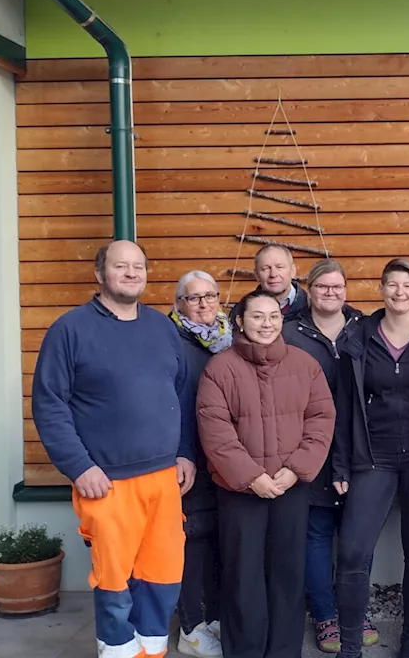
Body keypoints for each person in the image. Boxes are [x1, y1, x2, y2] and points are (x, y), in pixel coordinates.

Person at [31, 240, 196, 658]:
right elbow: (49, 405)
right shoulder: (69, 330)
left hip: (163, 478)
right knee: (114, 580)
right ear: (100, 273)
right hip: (105, 481)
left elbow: (183, 396)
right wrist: (78, 466)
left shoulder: (162, 327)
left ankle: (151, 650)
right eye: (121, 266)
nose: (131, 273)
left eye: (138, 266)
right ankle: (118, 651)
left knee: (162, 573)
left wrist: (186, 452)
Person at [331, 259, 409, 658]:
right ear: (381, 289)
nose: (400, 292)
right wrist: (339, 463)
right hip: (373, 457)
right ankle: (350, 645)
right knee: (353, 551)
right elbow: (343, 404)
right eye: (392, 285)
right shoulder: (359, 336)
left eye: (407, 285)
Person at [197, 288, 336, 658]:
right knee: (243, 577)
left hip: (291, 488)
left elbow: (321, 421)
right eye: (257, 316)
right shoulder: (220, 369)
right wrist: (250, 477)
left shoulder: (305, 365)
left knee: (288, 574)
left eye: (273, 316)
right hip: (239, 492)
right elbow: (216, 432)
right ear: (240, 321)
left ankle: (283, 651)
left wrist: (295, 470)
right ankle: (245, 650)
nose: (266, 323)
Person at [281, 260, 379, 654]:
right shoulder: (290, 333)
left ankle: (355, 611)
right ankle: (325, 615)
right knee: (317, 534)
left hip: (361, 448)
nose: (331, 293)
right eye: (323, 287)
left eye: (338, 287)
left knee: (358, 538)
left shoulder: (366, 327)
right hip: (309, 448)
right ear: (309, 289)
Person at [169, 270, 233, 658]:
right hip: (188, 457)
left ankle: (213, 617)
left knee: (219, 538)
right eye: (194, 298)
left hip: (224, 458)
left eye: (210, 296)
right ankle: (191, 627)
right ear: (179, 304)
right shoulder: (170, 340)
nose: (204, 304)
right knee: (191, 540)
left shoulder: (229, 338)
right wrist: (182, 452)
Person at [253, 243, 309, 322]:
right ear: (256, 275)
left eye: (280, 267)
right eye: (266, 268)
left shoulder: (312, 309)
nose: (273, 274)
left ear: (293, 271)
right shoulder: (241, 311)